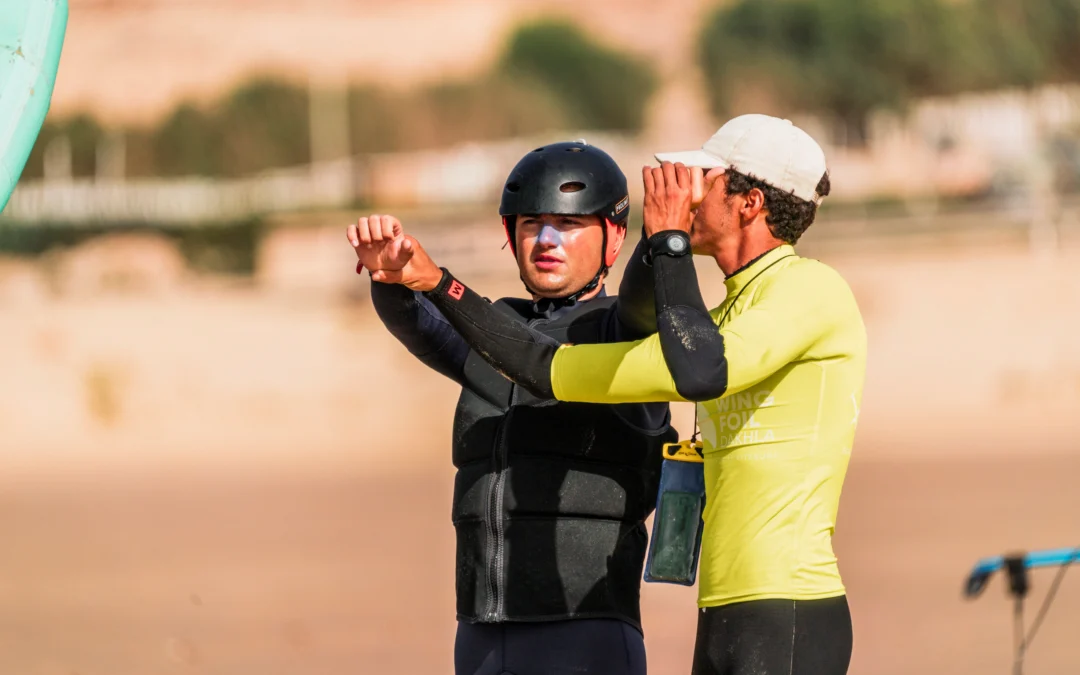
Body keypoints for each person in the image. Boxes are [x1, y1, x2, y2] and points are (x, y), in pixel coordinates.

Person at [365, 114, 867, 675]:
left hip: (785, 603)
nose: (688, 192)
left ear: (749, 202)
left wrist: (667, 239)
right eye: (532, 223)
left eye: (704, 180)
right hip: (723, 606)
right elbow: (543, 367)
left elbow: (698, 370)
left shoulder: (808, 289)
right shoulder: (722, 317)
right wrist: (415, 282)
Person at [348, 141, 678, 675]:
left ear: (613, 237)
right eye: (531, 224)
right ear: (510, 235)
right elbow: (423, 325)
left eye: (568, 225)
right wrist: (390, 279)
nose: (547, 240)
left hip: (584, 629)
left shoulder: (626, 334)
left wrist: (438, 282)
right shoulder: (494, 329)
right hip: (480, 631)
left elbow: (597, 324)